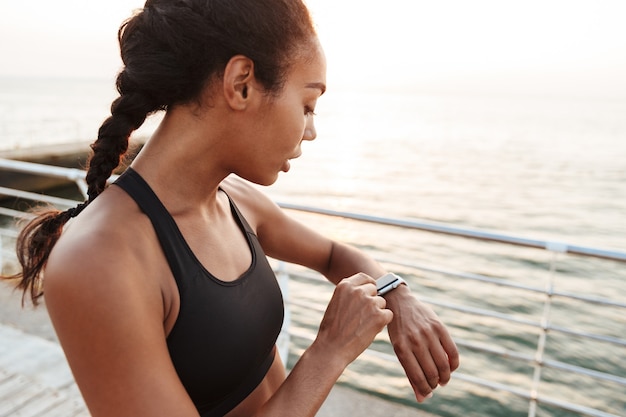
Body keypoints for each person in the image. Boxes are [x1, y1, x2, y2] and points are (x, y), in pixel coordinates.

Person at [5, 0, 459, 416]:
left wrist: (397, 294)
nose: (311, 130)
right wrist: (329, 350)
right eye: (307, 104)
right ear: (241, 84)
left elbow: (332, 256)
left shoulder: (233, 199)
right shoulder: (100, 259)